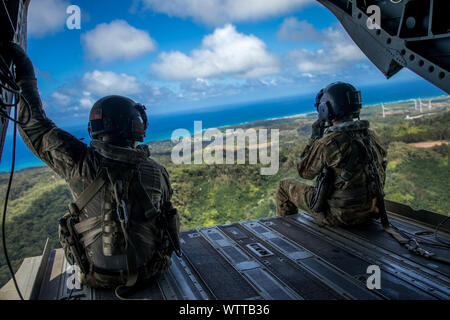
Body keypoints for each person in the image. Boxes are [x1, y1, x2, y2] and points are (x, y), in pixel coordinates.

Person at [5, 42, 180, 289]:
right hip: (150, 272)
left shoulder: (77, 162)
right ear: (135, 127)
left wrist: (24, 71)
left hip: (95, 277)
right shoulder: (156, 171)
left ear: (95, 129)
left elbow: (33, 124)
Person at [276, 82, 388, 227]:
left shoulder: (328, 143)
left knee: (284, 186)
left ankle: (287, 232)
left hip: (341, 217)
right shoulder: (371, 137)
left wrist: (314, 138)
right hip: (373, 211)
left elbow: (304, 172)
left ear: (326, 109)